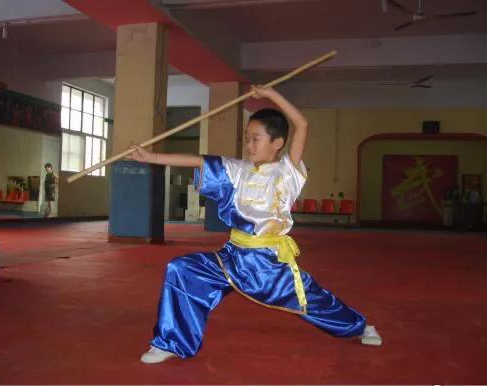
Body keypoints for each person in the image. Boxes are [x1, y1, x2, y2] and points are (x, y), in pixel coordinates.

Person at [128, 85, 382, 364]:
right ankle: (172, 342)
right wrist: (149, 157)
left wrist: (271, 95)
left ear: (277, 143)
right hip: (232, 256)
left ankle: (360, 326)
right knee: (182, 270)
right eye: (246, 139)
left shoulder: (289, 172)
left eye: (255, 139)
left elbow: (302, 124)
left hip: (269, 266)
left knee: (314, 302)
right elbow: (197, 160)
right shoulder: (238, 171)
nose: (248, 145)